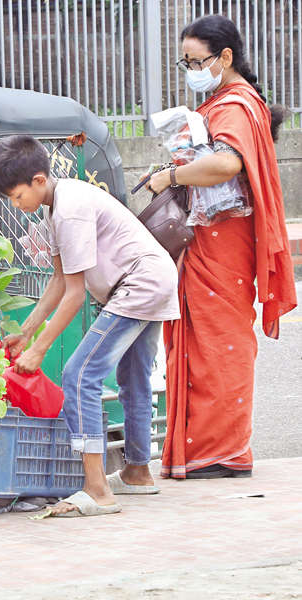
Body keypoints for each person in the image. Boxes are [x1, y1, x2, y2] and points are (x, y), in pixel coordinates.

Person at [0, 135, 179, 516]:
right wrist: (26, 332)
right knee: (132, 378)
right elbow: (60, 280)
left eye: (17, 195)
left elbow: (75, 295)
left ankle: (97, 489)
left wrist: (39, 349)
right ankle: (137, 472)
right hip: (151, 280)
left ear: (38, 180)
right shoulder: (55, 205)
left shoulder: (69, 209)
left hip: (138, 285)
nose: (16, 204)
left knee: (78, 375)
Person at [145, 15, 297, 479]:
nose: (191, 70)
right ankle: (204, 450)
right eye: (185, 62)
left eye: (197, 61)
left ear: (225, 57)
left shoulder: (235, 105)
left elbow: (227, 164)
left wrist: (171, 176)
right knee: (200, 340)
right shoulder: (225, 102)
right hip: (209, 238)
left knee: (219, 343)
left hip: (224, 243)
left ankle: (224, 451)